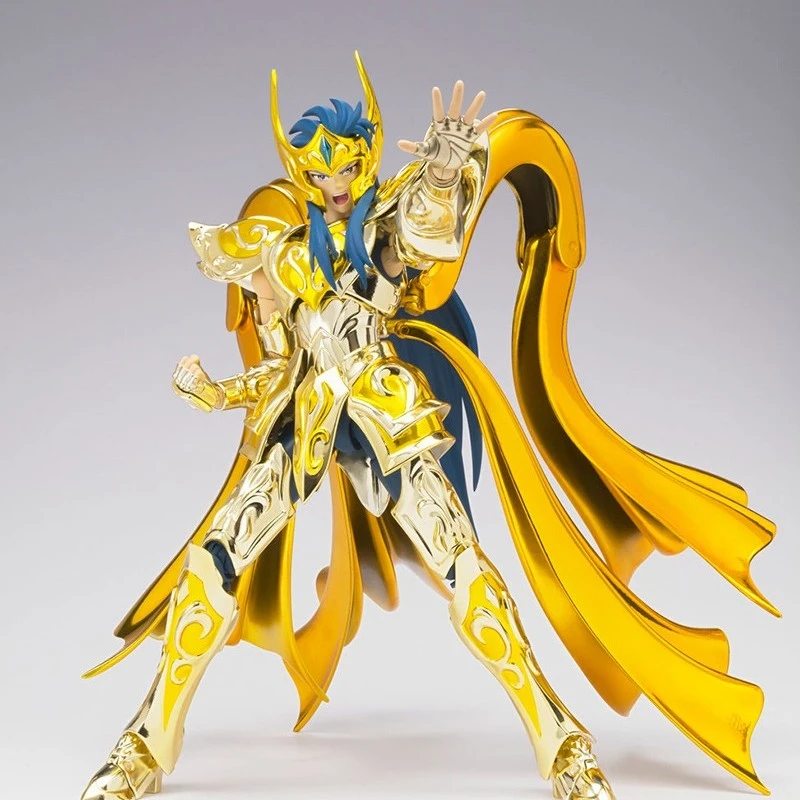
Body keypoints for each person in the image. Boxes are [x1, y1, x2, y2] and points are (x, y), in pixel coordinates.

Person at [81, 52, 778, 800]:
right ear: (298, 173)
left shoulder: (384, 224)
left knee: (465, 570)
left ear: (369, 157)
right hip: (309, 421)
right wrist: (215, 392)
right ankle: (147, 743)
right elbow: (280, 371)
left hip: (386, 414)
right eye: (319, 173)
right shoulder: (279, 259)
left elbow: (416, 240)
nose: (336, 185)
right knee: (214, 559)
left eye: (347, 167)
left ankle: (561, 741)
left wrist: (443, 178)